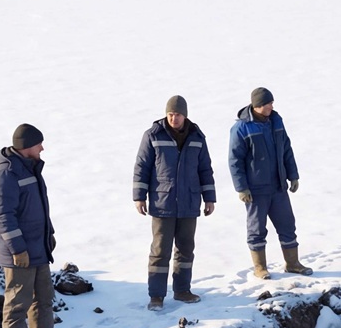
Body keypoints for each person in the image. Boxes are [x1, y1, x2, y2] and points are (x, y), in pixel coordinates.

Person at [0, 123, 70, 328]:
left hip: (38, 247)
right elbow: (4, 215)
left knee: (43, 297)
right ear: (26, 146)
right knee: (17, 303)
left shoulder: (31, 168)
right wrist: (18, 249)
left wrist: (49, 234)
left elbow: (40, 207)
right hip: (20, 252)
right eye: (38, 144)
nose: (42, 148)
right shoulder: (7, 174)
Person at [133, 95, 217, 310]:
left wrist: (209, 198)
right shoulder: (153, 135)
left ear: (185, 115)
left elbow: (205, 169)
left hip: (189, 202)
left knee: (186, 249)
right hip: (163, 203)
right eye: (170, 114)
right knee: (160, 251)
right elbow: (142, 167)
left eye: (177, 115)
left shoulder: (197, 137)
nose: (174, 118)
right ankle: (156, 296)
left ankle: (182, 291)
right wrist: (139, 196)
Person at [228, 86, 311, 278]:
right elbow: (235, 160)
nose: (271, 107)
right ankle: (260, 267)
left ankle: (293, 263)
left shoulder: (276, 121)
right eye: (267, 104)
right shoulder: (241, 128)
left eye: (272, 103)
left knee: (287, 225)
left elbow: (287, 149)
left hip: (278, 186)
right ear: (257, 105)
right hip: (256, 190)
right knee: (257, 229)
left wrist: (293, 175)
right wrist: (242, 188)